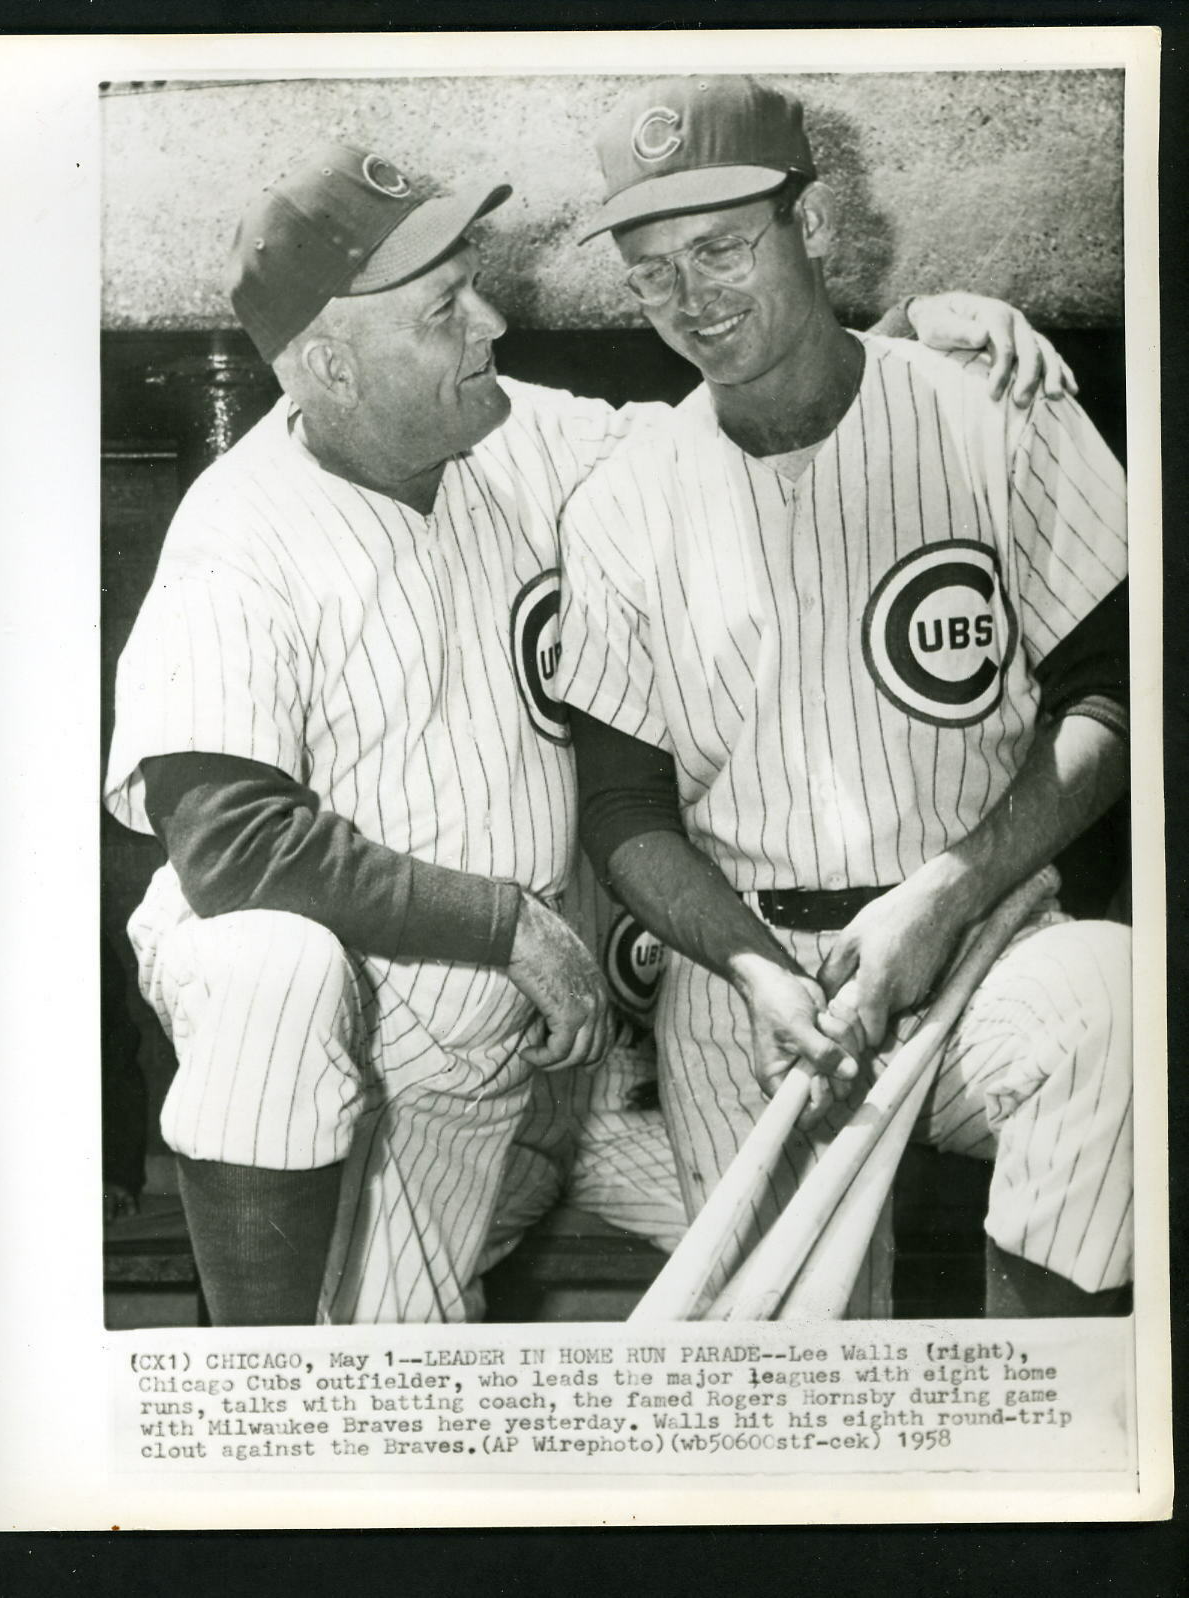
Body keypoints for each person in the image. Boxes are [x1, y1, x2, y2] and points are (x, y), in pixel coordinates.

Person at [104, 135, 1073, 1325]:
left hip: (546, 1069)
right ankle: (254, 1403)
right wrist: (502, 922)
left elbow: (732, 421)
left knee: (777, 1321)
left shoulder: (510, 432)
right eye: (444, 307)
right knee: (269, 975)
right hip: (381, 1065)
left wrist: (907, 336)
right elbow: (228, 839)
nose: (491, 326)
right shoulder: (238, 536)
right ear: (328, 368)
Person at [554, 75, 1132, 1318]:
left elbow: (1116, 697)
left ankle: (1045, 1424)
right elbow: (620, 805)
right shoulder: (620, 495)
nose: (691, 298)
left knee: (1113, 1012)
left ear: (810, 225)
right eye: (653, 269)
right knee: (789, 1386)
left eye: (719, 246)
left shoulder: (994, 411)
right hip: (744, 981)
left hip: (977, 938)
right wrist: (756, 968)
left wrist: (949, 887)